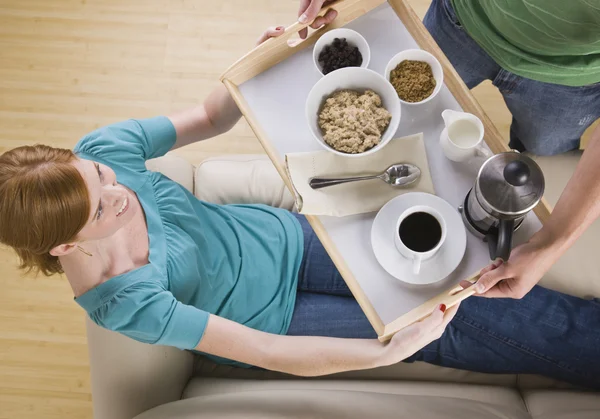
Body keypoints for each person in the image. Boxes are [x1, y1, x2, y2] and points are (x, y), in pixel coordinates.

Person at [1, 25, 600, 389]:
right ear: (64, 246)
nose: (119, 193)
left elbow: (213, 117)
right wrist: (387, 351)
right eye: (103, 211)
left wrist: (258, 55)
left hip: (290, 236)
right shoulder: (123, 302)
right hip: (279, 321)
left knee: (454, 267)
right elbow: (266, 352)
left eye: (102, 178)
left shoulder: (102, 149)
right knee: (456, 321)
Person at [298, 0, 600, 300]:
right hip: (464, 19)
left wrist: (550, 244)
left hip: (570, 83)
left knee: (540, 150)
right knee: (422, 109)